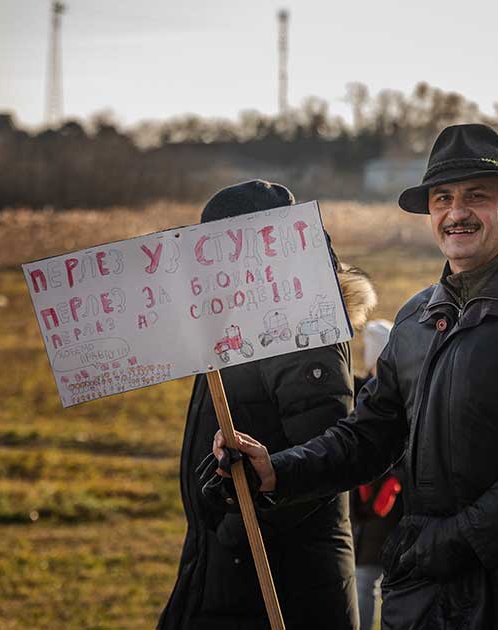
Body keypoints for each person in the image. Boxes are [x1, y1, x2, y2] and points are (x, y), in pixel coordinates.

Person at [214, 123, 498, 629]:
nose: (456, 212)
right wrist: (278, 469)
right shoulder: (415, 318)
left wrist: (453, 542)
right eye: (442, 198)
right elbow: (370, 434)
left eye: (476, 196)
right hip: (423, 597)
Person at [158, 179, 376, 630]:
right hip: (229, 569)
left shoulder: (300, 330)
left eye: (219, 251)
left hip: (279, 579)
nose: (207, 269)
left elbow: (324, 456)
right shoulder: (235, 327)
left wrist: (233, 536)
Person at [349, 319, 402, 630]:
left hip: (392, 503)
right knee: (364, 577)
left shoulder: (403, 393)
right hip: (361, 500)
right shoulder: (355, 392)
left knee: (374, 578)